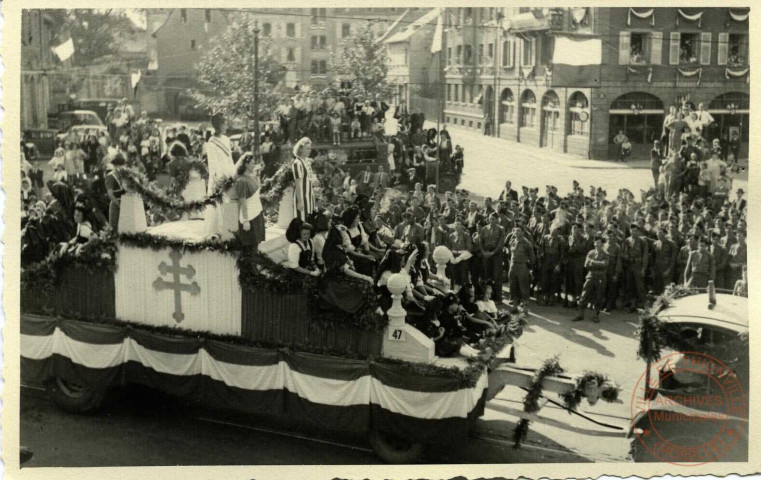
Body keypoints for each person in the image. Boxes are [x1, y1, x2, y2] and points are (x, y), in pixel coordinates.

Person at [204, 113, 236, 237]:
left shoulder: (226, 139)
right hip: (219, 177)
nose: (227, 125)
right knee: (218, 204)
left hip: (229, 173)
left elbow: (230, 159)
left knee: (231, 202)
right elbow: (213, 164)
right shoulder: (211, 142)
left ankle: (231, 230)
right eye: (225, 123)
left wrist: (233, 173)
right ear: (219, 125)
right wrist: (220, 179)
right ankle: (217, 231)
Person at [233, 152, 265, 251]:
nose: (254, 165)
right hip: (249, 217)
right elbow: (243, 202)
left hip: (257, 214)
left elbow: (256, 193)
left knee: (256, 244)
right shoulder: (241, 181)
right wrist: (246, 220)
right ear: (246, 164)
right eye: (252, 163)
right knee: (249, 247)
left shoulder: (253, 177)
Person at [573, 235, 608, 323]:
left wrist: (593, 262)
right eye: (595, 242)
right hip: (591, 275)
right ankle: (580, 314)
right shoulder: (591, 252)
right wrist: (597, 264)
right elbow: (586, 265)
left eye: (598, 242)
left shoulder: (605, 254)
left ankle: (596, 315)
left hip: (600, 276)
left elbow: (605, 264)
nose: (596, 244)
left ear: (602, 244)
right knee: (584, 294)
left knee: (598, 296)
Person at [507, 225, 535, 307]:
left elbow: (532, 258)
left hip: (522, 266)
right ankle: (515, 304)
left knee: (524, 287)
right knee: (513, 286)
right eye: (515, 230)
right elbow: (510, 254)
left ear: (523, 232)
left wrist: (530, 269)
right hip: (513, 265)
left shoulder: (527, 243)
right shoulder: (512, 241)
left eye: (518, 230)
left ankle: (525, 305)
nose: (516, 232)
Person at [105, 153, 126, 231]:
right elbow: (110, 194)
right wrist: (119, 205)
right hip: (116, 205)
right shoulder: (110, 176)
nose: (120, 167)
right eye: (118, 164)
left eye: (122, 164)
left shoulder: (125, 174)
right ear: (114, 165)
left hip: (126, 203)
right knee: (114, 229)